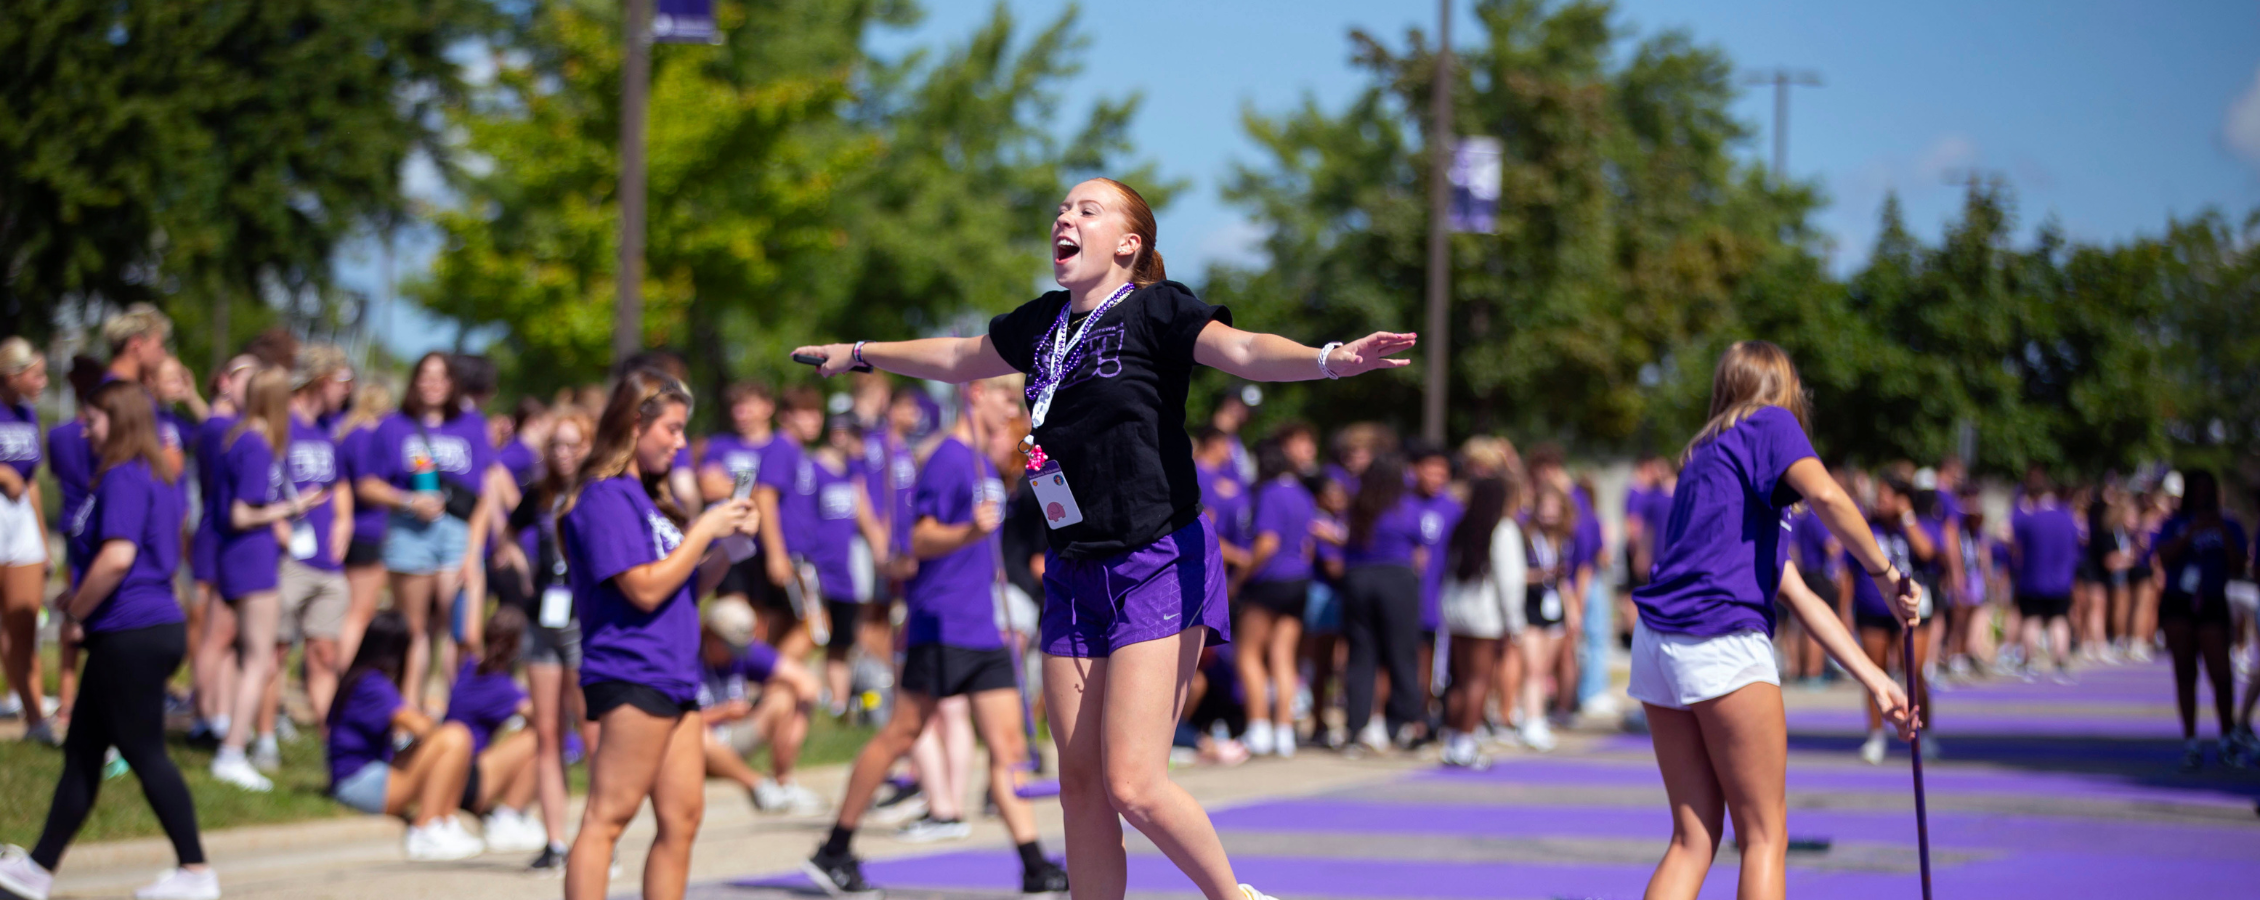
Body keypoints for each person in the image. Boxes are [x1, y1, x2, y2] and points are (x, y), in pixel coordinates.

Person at [792, 177, 1414, 900]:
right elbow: (963, 356)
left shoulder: (1158, 308)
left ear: (1129, 242)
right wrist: (861, 351)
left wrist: (1332, 357)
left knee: (1135, 785)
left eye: (1088, 209)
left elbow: (1243, 351)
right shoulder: (1043, 325)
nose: (1066, 216)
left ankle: (1235, 897)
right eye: (1062, 209)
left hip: (1157, 556)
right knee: (1080, 787)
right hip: (1073, 567)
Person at [1628, 341, 1916, 900]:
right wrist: (1884, 572)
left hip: (1658, 640)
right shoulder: (1771, 425)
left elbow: (1799, 596)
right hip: (1720, 639)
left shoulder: (1705, 457)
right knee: (1764, 837)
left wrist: (1877, 680)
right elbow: (1829, 496)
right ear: (1786, 389)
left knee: (1693, 837)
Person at [804, 374, 1070, 896]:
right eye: (1003, 397)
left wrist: (1040, 459)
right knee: (901, 733)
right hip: (942, 620)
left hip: (981, 623)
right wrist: (969, 530)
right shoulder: (948, 458)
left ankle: (1034, 865)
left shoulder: (988, 459)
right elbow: (918, 537)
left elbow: (1049, 499)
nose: (1011, 408)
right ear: (975, 394)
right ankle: (834, 847)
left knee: (1007, 743)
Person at [0, 379, 215, 900]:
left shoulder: (122, 474)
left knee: (144, 753)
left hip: (131, 632)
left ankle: (195, 872)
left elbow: (118, 557)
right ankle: (37, 869)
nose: (83, 427)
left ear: (117, 422)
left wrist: (77, 609)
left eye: (92, 418)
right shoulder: (157, 474)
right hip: (142, 627)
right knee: (84, 752)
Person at [561, 370, 757, 900]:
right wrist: (702, 531)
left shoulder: (649, 501)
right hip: (629, 669)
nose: (678, 443)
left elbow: (683, 585)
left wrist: (728, 545)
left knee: (683, 817)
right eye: (670, 429)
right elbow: (644, 590)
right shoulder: (603, 497)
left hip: (673, 672)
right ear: (633, 423)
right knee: (609, 815)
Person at [358, 352, 496, 710]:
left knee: (460, 625)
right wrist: (407, 500)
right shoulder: (394, 426)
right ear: (415, 381)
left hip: (456, 533)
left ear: (452, 384)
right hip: (410, 531)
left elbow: (486, 492)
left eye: (441, 376)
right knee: (414, 629)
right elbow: (368, 484)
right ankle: (409, 710)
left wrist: (473, 550)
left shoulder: (471, 424)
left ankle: (459, 710)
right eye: (426, 375)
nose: (433, 383)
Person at [209, 367, 321, 791]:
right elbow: (242, 513)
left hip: (244, 557)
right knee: (259, 659)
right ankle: (233, 750)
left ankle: (231, 742)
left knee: (248, 656)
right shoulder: (256, 444)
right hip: (251, 559)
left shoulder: (239, 437)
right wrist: (292, 508)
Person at [496, 407, 594, 871]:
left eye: (573, 444)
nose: (564, 453)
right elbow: (506, 537)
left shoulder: (598, 492)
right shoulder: (537, 494)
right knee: (547, 733)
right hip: (541, 619)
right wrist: (522, 575)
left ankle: (595, 839)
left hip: (583, 618)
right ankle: (555, 841)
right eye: (557, 444)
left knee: (589, 730)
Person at [326, 611, 485, 860]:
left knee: (458, 736)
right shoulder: (372, 684)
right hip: (357, 783)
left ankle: (443, 821)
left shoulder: (362, 678)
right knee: (454, 737)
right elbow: (418, 727)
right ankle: (425, 829)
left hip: (367, 774)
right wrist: (433, 711)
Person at [270, 350, 355, 741]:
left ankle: (331, 740)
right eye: (343, 381)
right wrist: (279, 530)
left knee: (324, 652)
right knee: (277, 651)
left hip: (327, 562)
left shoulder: (328, 428)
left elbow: (338, 482)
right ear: (322, 380)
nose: (348, 390)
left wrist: (344, 519)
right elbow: (261, 481)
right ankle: (264, 732)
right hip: (289, 560)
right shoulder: (280, 424)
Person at [2154, 469, 2248, 770]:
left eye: (2209, 489)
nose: (2203, 495)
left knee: (2221, 673)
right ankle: (2191, 742)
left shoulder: (2229, 524)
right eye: (2198, 489)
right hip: (2179, 603)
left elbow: (2238, 565)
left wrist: (2219, 530)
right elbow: (2163, 556)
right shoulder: (2175, 524)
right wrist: (2190, 533)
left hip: (2212, 602)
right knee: (2184, 672)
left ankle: (2226, 737)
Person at [696, 599, 825, 815]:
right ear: (710, 633)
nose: (734, 653)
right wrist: (723, 712)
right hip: (699, 743)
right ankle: (759, 786)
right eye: (729, 646)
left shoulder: (744, 651)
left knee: (783, 696)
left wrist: (795, 732)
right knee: (695, 731)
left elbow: (808, 684)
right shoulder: (685, 659)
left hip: (736, 734)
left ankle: (784, 784)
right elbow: (669, 718)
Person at [1839, 475, 1935, 765]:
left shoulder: (1915, 523)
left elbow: (1927, 551)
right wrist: (1845, 611)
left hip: (1910, 611)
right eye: (1877, 495)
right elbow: (1848, 570)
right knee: (1874, 673)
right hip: (1873, 609)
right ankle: (1876, 737)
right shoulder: (1867, 525)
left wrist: (1906, 516)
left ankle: (1924, 733)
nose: (1879, 501)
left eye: (1886, 496)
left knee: (1914, 673)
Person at [1337, 453, 1427, 755]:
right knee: (1402, 653)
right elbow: (1420, 551)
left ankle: (1356, 729)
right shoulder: (1406, 506)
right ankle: (1407, 724)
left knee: (1362, 657)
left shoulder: (1358, 505)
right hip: (1396, 578)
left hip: (1358, 578)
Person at [1234, 433, 1316, 759]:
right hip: (1300, 579)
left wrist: (1240, 577)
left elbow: (1267, 543)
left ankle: (1259, 727)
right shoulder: (1303, 493)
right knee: (1284, 657)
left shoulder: (1268, 493)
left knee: (1249, 654)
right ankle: (1284, 731)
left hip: (1271, 580)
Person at [443, 606, 548, 853]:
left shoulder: (468, 666)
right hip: (467, 781)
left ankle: (512, 814)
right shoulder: (501, 687)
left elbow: (466, 634)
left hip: (457, 774)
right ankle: (509, 816)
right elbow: (545, 718)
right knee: (543, 737)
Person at [1438, 475, 1524, 769]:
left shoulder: (1462, 525)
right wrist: (1514, 622)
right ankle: (1465, 742)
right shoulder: (1503, 528)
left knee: (1461, 678)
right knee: (1479, 680)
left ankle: (1453, 738)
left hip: (1457, 610)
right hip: (1485, 614)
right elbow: (1510, 581)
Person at [0, 339, 52, 741]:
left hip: (20, 522)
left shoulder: (27, 414)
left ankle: (34, 718)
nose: (43, 382)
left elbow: (31, 480)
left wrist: (42, 537)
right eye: (36, 374)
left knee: (24, 620)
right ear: (12, 375)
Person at [335, 383, 395, 668]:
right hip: (367, 529)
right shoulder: (366, 435)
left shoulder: (345, 431)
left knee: (349, 610)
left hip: (353, 529)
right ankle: (344, 676)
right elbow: (365, 484)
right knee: (358, 613)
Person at [2010, 470, 2081, 683]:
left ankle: (2027, 663)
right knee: (2059, 620)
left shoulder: (2029, 519)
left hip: (2033, 579)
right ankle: (2060, 663)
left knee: (2031, 620)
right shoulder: (2068, 518)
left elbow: (2015, 545)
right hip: (2061, 580)